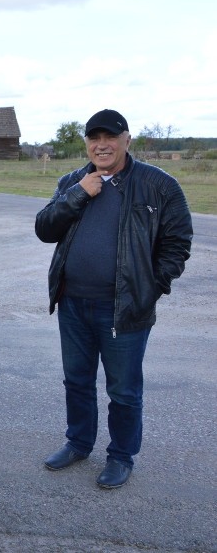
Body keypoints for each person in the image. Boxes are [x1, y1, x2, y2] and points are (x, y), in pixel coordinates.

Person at [36, 109, 193, 489]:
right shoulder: (73, 180)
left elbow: (178, 243)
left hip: (123, 308)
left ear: (126, 140)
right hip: (73, 303)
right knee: (76, 380)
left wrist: (149, 288)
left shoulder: (158, 185)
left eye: (110, 137)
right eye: (94, 138)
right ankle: (78, 443)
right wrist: (78, 194)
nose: (101, 145)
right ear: (87, 142)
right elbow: (45, 228)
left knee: (122, 390)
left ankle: (121, 456)